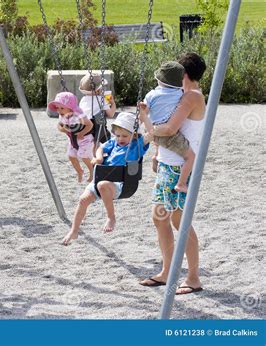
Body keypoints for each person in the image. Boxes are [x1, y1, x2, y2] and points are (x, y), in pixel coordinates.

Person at [139, 52, 206, 295]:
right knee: (159, 218)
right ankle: (167, 271)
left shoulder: (191, 97)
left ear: (184, 74)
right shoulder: (181, 95)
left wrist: (146, 129)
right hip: (169, 165)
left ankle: (194, 277)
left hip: (180, 169)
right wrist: (157, 153)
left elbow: (169, 129)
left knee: (180, 221)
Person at [62, 112, 153, 245]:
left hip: (121, 184)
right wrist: (99, 157)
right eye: (118, 135)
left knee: (103, 185)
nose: (120, 138)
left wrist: (144, 117)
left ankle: (111, 217)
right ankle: (74, 231)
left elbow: (152, 134)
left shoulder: (137, 145)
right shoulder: (114, 143)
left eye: (125, 136)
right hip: (102, 178)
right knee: (83, 200)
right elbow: (101, 147)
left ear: (134, 135)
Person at [143, 61, 196, 193]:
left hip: (154, 131)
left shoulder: (151, 94)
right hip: (170, 136)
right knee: (190, 157)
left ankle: (156, 158)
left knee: (158, 143)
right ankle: (182, 184)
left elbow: (145, 110)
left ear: (159, 80)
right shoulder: (180, 94)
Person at [49, 91, 94, 183]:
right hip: (72, 140)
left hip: (85, 139)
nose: (59, 110)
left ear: (71, 108)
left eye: (62, 108)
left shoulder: (78, 116)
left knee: (83, 156)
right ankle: (79, 171)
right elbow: (60, 125)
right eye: (58, 108)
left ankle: (92, 171)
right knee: (71, 156)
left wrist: (82, 133)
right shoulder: (62, 115)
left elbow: (90, 125)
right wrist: (63, 129)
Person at [78, 73, 116, 155]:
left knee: (96, 141)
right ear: (98, 90)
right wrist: (112, 103)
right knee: (108, 140)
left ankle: (95, 158)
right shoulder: (101, 99)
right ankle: (107, 156)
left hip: (85, 125)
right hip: (97, 125)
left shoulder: (83, 99)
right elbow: (111, 114)